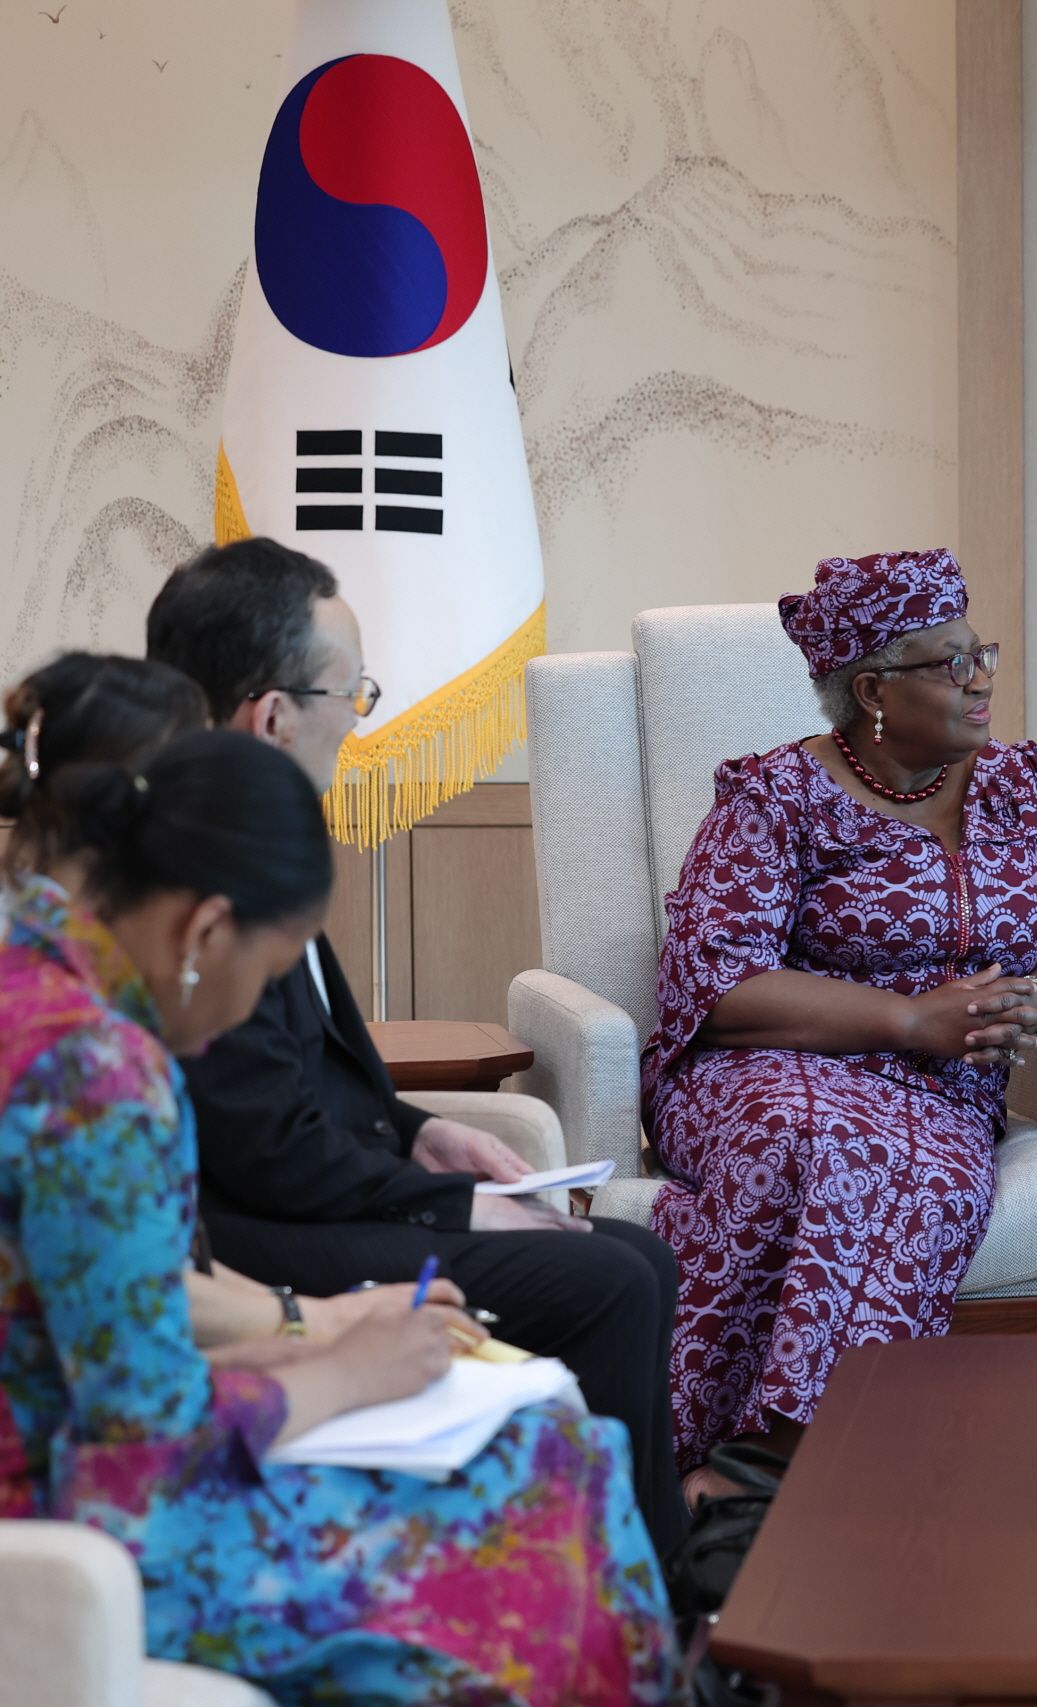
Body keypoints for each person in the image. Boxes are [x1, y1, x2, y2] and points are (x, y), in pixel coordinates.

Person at [0, 727, 676, 1702]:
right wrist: (347, 1373)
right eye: (265, 974)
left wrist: (309, 1333)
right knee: (547, 1480)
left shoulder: (32, 966)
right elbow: (141, 1446)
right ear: (204, 933)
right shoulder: (100, 1073)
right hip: (76, 1524)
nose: (240, 1021)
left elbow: (100, 1330)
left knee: (560, 1452)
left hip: (60, 1452)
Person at [144, 538, 686, 1552]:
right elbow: (263, 1146)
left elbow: (302, 1072)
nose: (359, 722)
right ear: (272, 715)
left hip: (305, 1197)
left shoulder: (252, 832)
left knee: (642, 1259)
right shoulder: (195, 873)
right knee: (606, 1280)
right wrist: (455, 1205)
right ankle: (616, 1590)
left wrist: (419, 1132)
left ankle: (659, 1588)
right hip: (254, 1231)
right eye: (352, 697)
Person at [645, 549, 1037, 1487]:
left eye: (981, 651)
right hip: (764, 1070)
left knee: (905, 1162)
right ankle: (751, 1460)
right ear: (873, 687)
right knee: (813, 1138)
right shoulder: (775, 797)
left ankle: (774, 1464)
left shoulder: (1024, 788)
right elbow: (712, 979)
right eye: (951, 662)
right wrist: (910, 1020)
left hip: (947, 1094)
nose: (983, 678)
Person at [0, 652, 491, 1348]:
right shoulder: (94, 1055)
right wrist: (332, 1347)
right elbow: (138, 1409)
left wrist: (315, 1324)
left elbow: (131, 1278)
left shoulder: (58, 966)